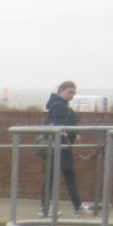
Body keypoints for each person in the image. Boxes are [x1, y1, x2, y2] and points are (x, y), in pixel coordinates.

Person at [41, 80, 91, 216]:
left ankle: (75, 206)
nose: (72, 95)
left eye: (74, 92)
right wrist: (72, 134)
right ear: (61, 91)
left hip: (62, 146)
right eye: (69, 92)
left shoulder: (58, 105)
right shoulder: (59, 107)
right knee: (58, 176)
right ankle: (73, 207)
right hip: (60, 147)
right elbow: (57, 127)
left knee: (60, 176)